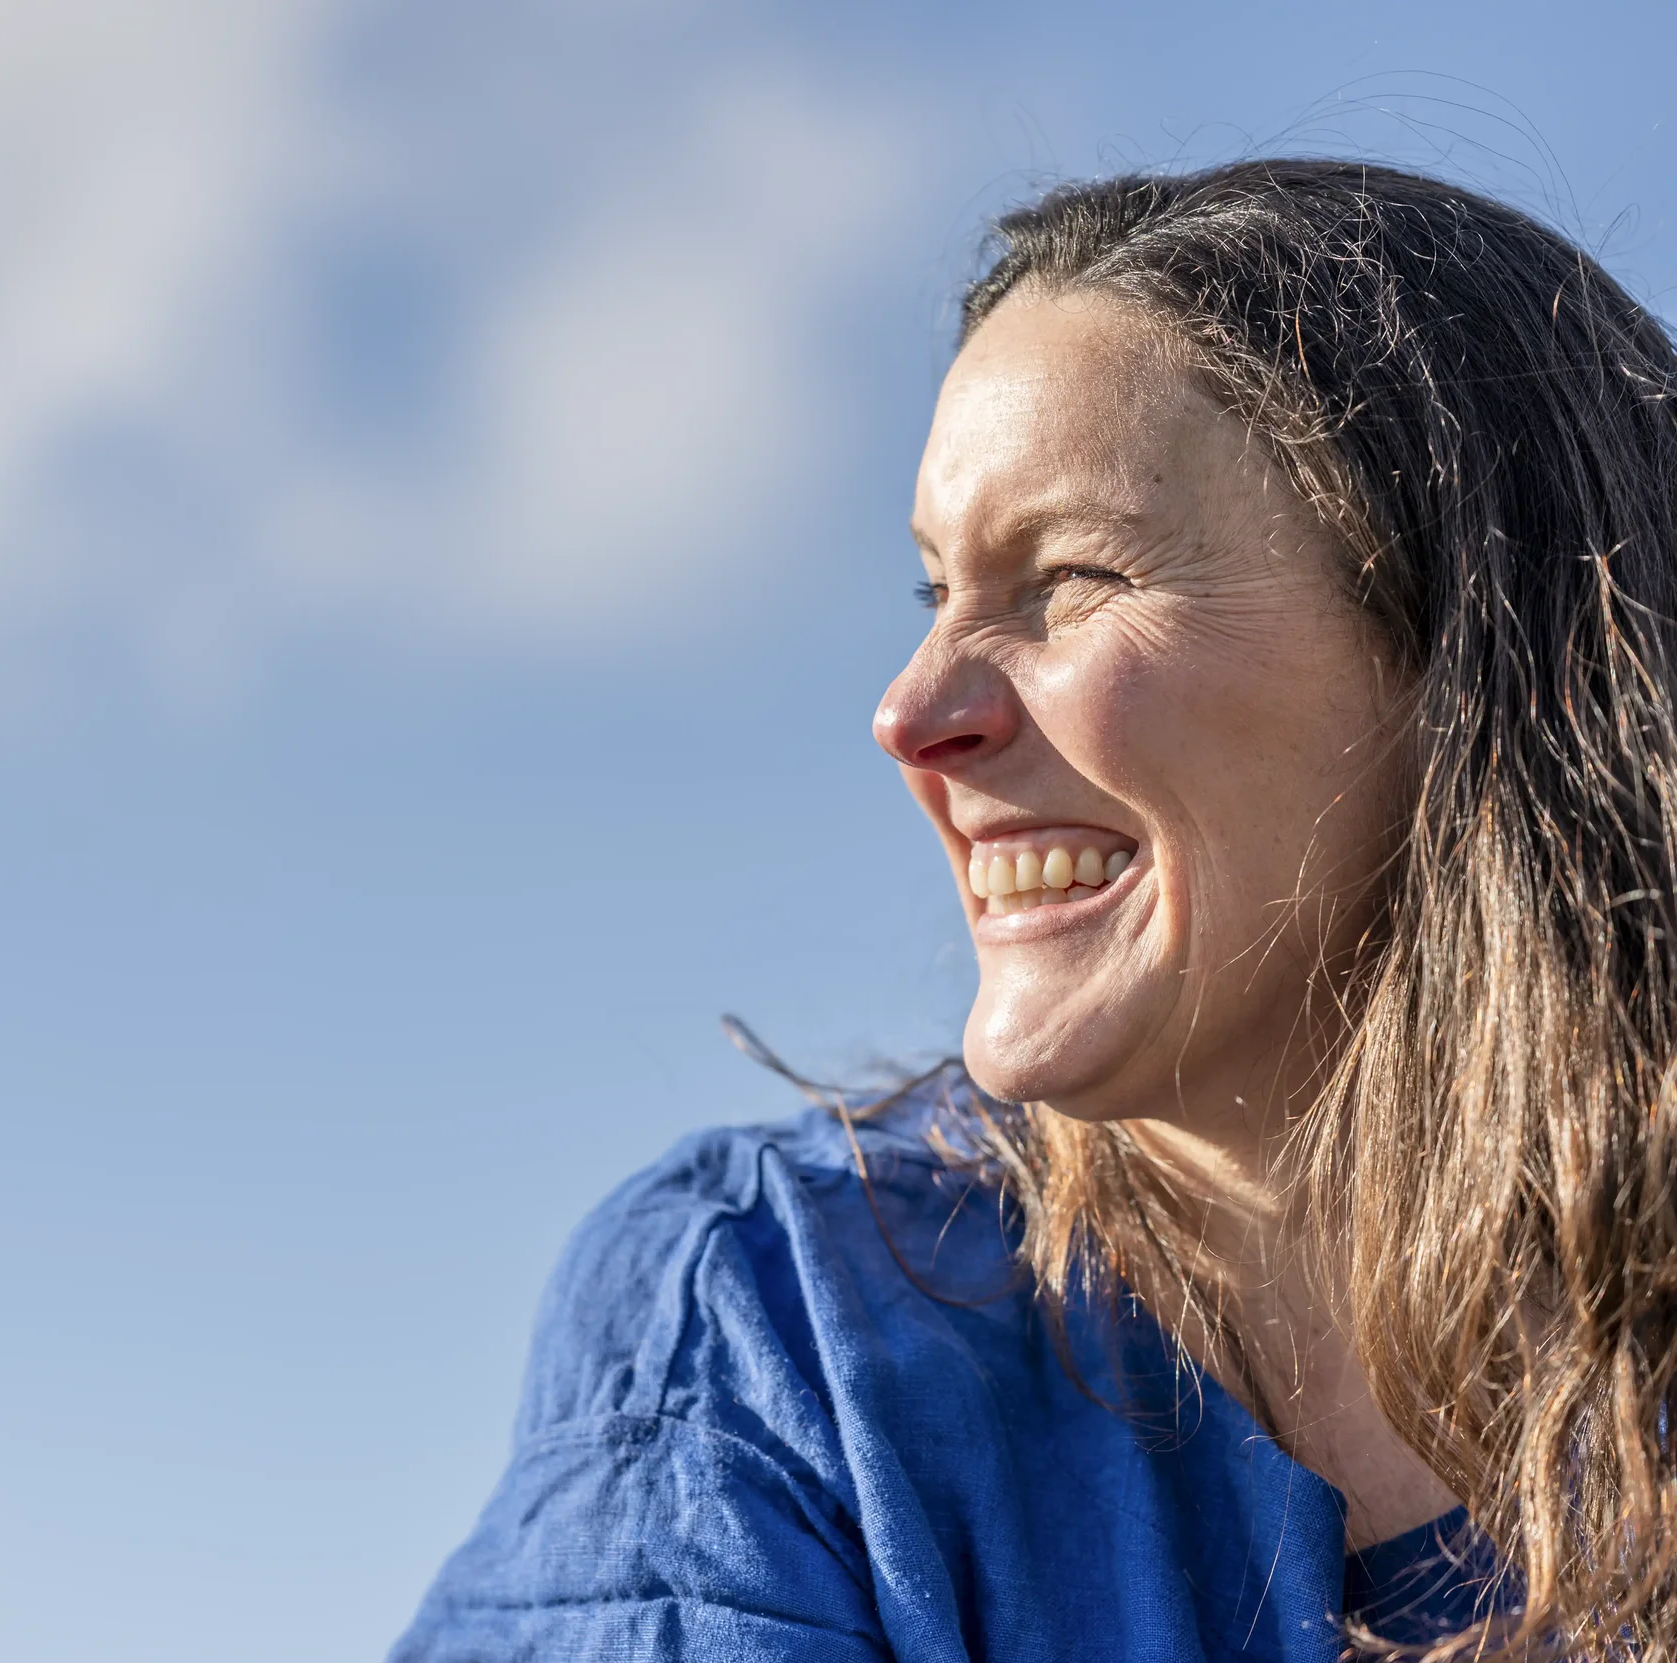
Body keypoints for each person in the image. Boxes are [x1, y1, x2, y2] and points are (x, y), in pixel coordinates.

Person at [389, 160, 1677, 1660]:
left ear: (1483, 664)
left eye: (1069, 577)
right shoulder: (781, 1338)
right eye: (932, 589)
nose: (910, 712)